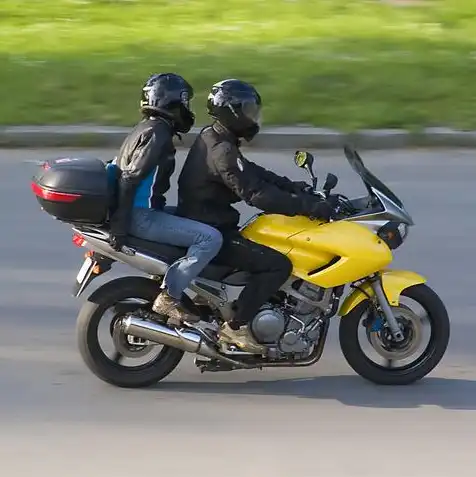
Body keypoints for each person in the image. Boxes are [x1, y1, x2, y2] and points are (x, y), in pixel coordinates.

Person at [176, 78, 333, 353]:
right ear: (233, 112)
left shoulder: (215, 136)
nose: (253, 117)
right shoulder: (222, 150)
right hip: (212, 231)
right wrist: (308, 206)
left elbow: (253, 172)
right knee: (278, 265)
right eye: (248, 111)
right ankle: (235, 327)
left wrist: (293, 187)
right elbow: (257, 195)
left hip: (208, 222)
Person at [108, 73, 223, 327]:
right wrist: (121, 224)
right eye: (185, 102)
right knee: (209, 238)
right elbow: (129, 178)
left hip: (142, 211)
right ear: (171, 101)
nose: (187, 109)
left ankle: (202, 294)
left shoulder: (146, 128)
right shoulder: (157, 133)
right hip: (140, 216)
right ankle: (170, 296)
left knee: (201, 220)